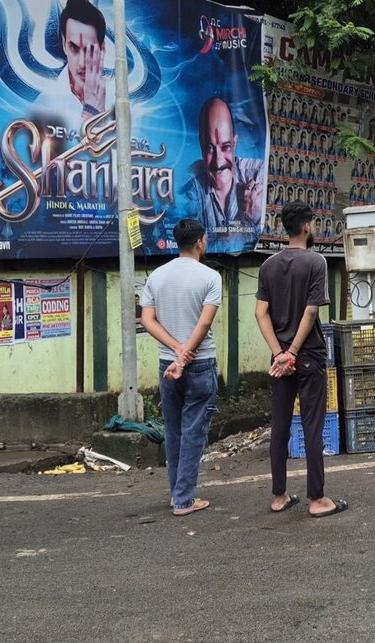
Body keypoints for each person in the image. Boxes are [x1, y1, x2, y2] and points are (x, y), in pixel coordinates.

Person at [255, 202, 346, 518]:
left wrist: (279, 353)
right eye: (314, 224)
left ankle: (279, 495)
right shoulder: (316, 262)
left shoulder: (268, 265)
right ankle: (317, 499)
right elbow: (311, 311)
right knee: (312, 425)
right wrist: (293, 352)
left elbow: (260, 313)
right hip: (307, 356)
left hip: (279, 360)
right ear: (307, 226)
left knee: (279, 425)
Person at [139, 219, 222, 517]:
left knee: (173, 432)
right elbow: (204, 322)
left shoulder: (157, 277)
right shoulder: (211, 277)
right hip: (199, 365)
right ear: (199, 242)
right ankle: (185, 500)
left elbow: (148, 320)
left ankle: (177, 494)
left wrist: (175, 352)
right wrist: (185, 354)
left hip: (167, 365)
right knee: (193, 433)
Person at [178, 97, 266, 241]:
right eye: (210, 148)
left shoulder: (258, 172)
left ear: (235, 143)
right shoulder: (187, 184)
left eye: (226, 147)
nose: (218, 162)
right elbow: (196, 247)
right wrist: (246, 222)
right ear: (201, 144)